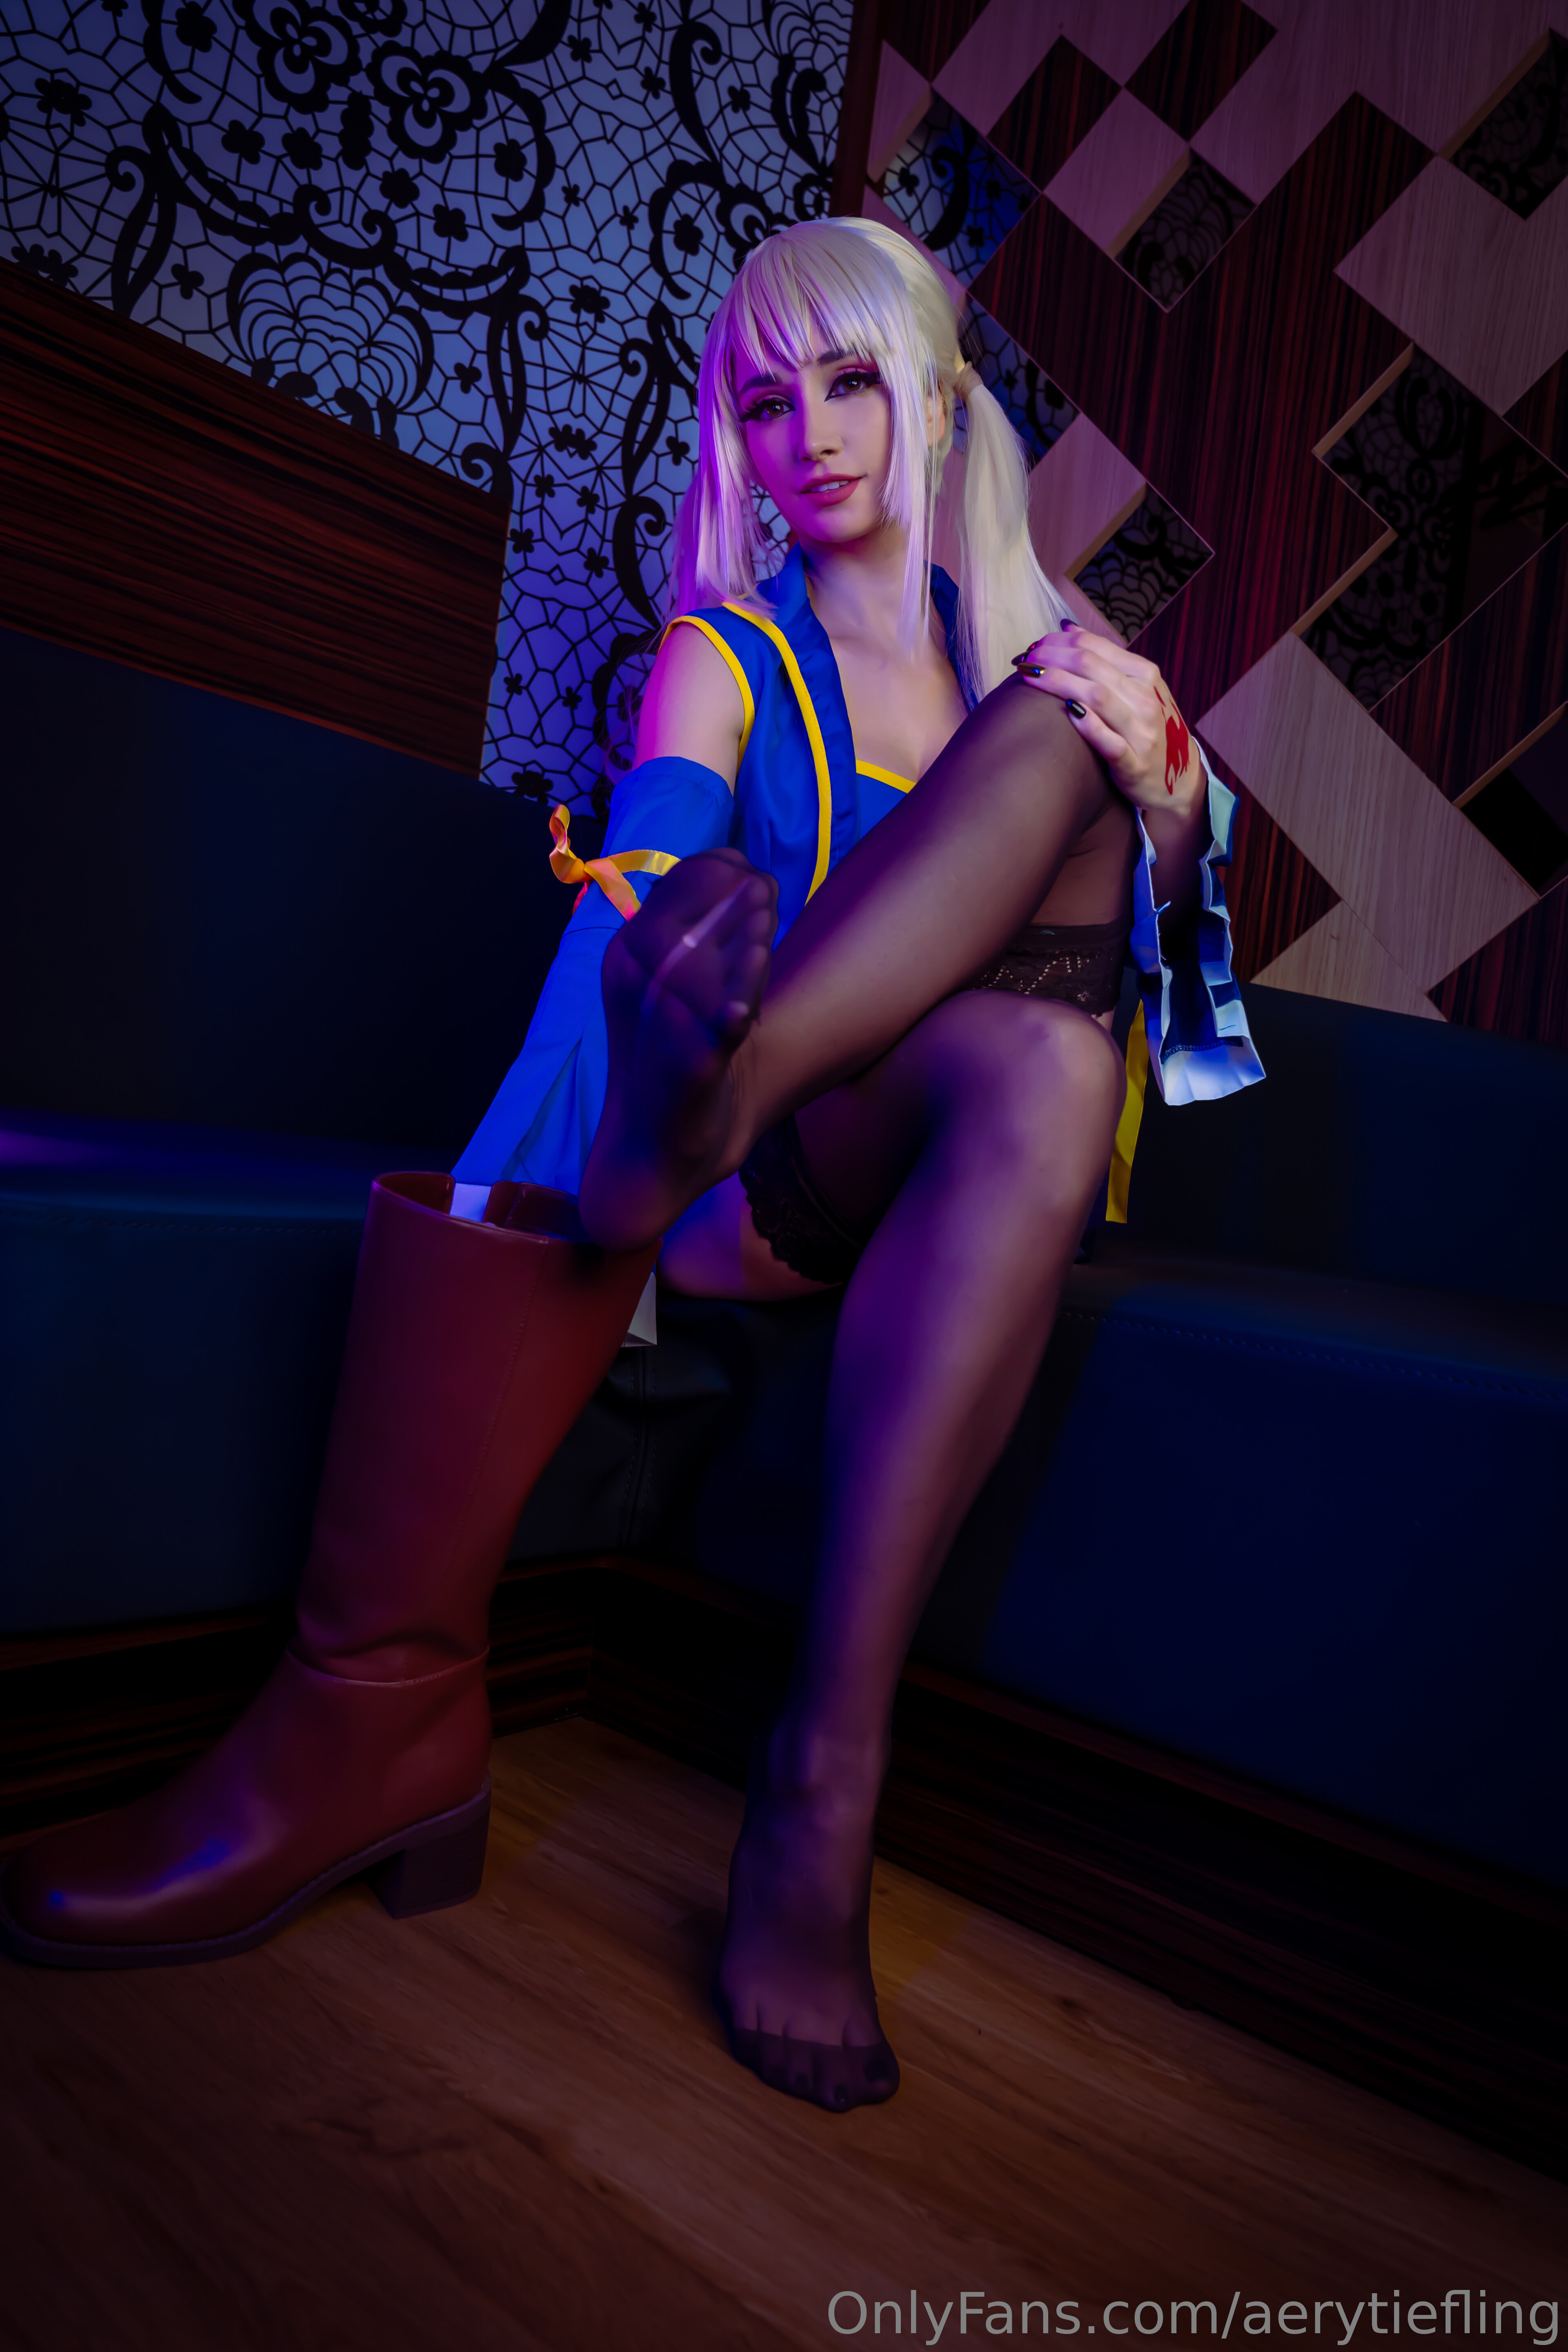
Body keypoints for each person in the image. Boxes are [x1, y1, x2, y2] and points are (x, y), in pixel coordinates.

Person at [1, 221, 1261, 2114]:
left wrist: (1171, 811)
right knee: (1048, 794)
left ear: (936, 402)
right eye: (763, 403)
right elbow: (648, 876)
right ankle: (720, 1108)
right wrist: (571, 1137)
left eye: (851, 382)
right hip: (761, 1193)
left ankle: (823, 1778)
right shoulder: (723, 654)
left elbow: (1186, 1039)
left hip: (982, 1164)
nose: (809, 434)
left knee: (1060, 981)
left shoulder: (1030, 654)